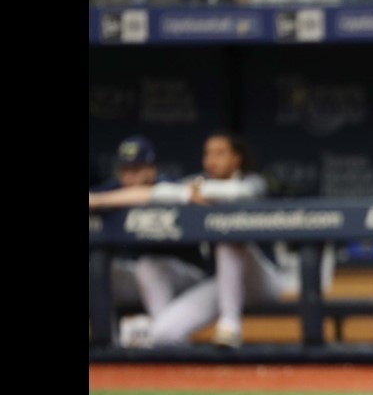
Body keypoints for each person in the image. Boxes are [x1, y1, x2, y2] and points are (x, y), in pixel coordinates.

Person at [89, 130, 302, 349]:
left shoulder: (255, 181)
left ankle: (230, 326)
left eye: (220, 153)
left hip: (264, 280)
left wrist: (189, 192)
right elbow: (153, 192)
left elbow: (236, 192)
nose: (212, 160)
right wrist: (182, 193)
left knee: (228, 236)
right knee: (164, 334)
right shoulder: (195, 183)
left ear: (236, 158)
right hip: (224, 282)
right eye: (207, 153)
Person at [89, 136, 210, 347]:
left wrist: (100, 201)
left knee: (148, 266)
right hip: (145, 280)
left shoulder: (167, 184)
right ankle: (109, 345)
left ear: (151, 169)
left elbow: (147, 194)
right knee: (100, 272)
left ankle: (167, 339)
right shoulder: (114, 188)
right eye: (124, 169)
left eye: (136, 169)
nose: (129, 176)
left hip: (189, 278)